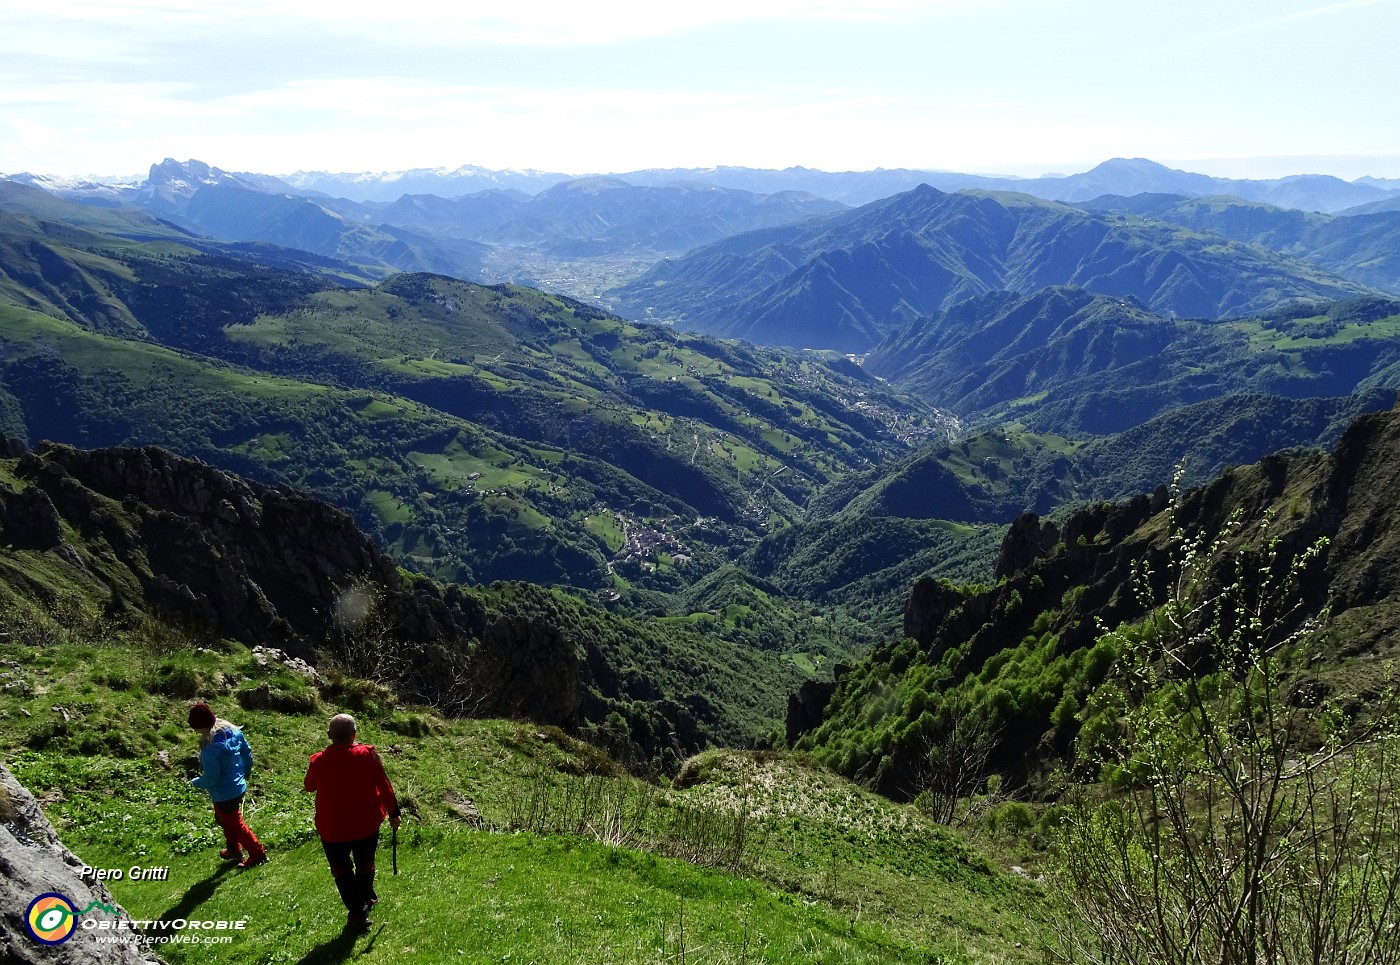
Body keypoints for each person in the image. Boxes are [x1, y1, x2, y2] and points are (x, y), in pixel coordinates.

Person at [304, 713, 400, 932]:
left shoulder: (317, 760)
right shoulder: (367, 755)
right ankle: (366, 897)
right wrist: (394, 812)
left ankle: (358, 912)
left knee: (341, 870)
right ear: (354, 734)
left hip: (332, 827)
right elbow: (385, 786)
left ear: (329, 736)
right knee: (365, 862)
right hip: (366, 822)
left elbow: (309, 786)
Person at [187, 702, 267, 869]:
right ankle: (233, 850)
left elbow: (212, 778)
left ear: (200, 727)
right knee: (223, 819)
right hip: (238, 785)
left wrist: (197, 783)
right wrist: (247, 770)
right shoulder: (233, 731)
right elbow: (247, 751)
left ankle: (257, 853)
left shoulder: (210, 750)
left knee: (235, 823)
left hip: (224, 792)